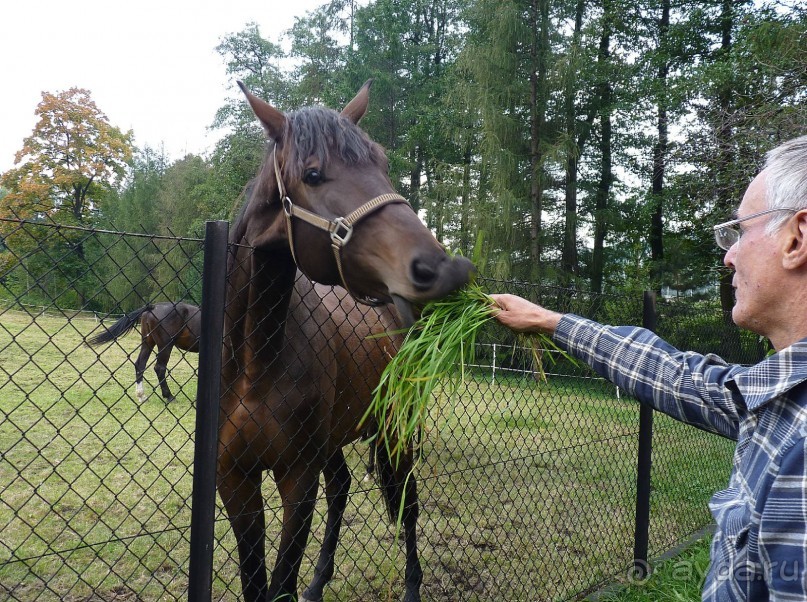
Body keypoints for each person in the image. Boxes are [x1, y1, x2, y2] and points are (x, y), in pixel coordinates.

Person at [490, 135, 807, 601]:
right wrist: (549, 321)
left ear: (796, 239)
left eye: (739, 231)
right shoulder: (781, 399)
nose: (729, 254)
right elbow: (678, 376)